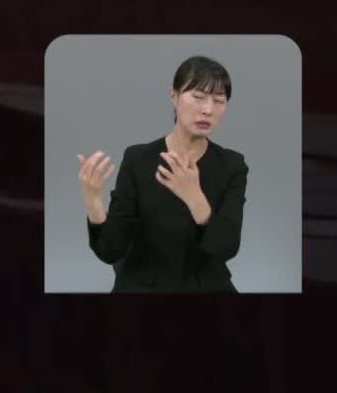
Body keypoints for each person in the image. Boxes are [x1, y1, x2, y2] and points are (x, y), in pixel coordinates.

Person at [75, 54, 248, 293]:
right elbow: (111, 251)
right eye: (198, 97)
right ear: (174, 96)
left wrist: (194, 197)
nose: (208, 109)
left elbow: (227, 247)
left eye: (219, 100)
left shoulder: (232, 165)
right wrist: (93, 201)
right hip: (143, 286)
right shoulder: (138, 159)